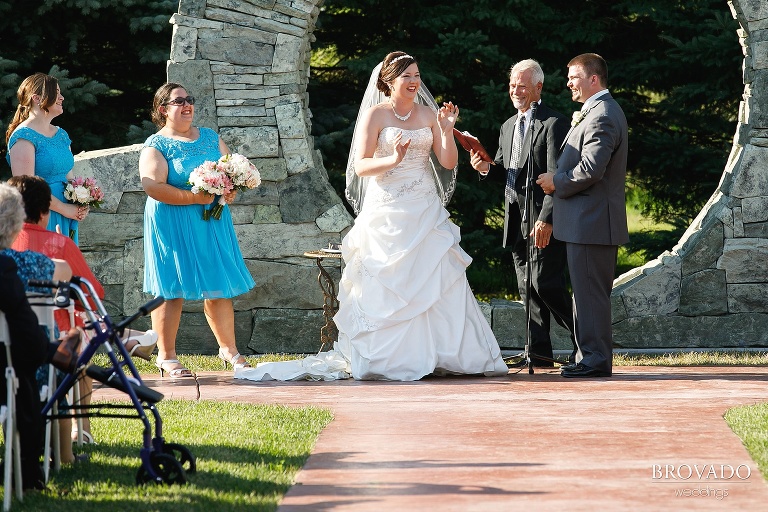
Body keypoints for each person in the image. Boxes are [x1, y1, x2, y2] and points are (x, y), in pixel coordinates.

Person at [8, 175, 157, 446]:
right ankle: (81, 430)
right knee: (80, 340)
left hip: (7, 346)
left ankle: (126, 337)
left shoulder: (6, 247)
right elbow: (92, 293)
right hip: (53, 342)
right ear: (45, 212)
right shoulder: (59, 245)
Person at [139, 82, 255, 378]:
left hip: (210, 220)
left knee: (218, 282)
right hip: (171, 221)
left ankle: (229, 350)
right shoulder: (156, 144)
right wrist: (193, 197)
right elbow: (152, 185)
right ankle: (166, 356)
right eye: (179, 101)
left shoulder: (210, 137)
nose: (187, 105)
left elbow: (230, 174)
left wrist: (229, 192)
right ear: (163, 109)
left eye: (189, 99)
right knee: (171, 286)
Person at [470, 59, 577, 367]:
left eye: (522, 86)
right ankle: (539, 353)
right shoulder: (507, 126)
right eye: (512, 85)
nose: (515, 91)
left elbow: (557, 176)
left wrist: (547, 218)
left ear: (538, 88)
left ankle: (587, 340)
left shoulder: (554, 123)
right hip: (516, 220)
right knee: (526, 287)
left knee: (546, 284)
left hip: (542, 219)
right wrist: (485, 169)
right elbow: (507, 173)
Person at [536, 53, 629, 378]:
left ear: (594, 79)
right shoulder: (595, 111)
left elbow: (591, 169)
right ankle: (587, 355)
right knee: (586, 294)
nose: (569, 82)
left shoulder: (602, 114)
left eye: (574, 76)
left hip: (592, 223)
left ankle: (595, 360)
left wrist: (555, 182)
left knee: (591, 295)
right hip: (585, 223)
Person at [0, 182, 82, 490]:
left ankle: (53, 351)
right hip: (12, 369)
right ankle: (29, 467)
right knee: (27, 370)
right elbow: (64, 273)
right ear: (14, 225)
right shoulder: (15, 265)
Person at [5, 72, 89, 244]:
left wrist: (81, 203)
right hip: (42, 213)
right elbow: (27, 189)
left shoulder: (61, 135)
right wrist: (65, 209)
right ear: (37, 98)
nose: (62, 97)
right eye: (56, 93)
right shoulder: (23, 137)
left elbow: (69, 176)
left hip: (68, 215)